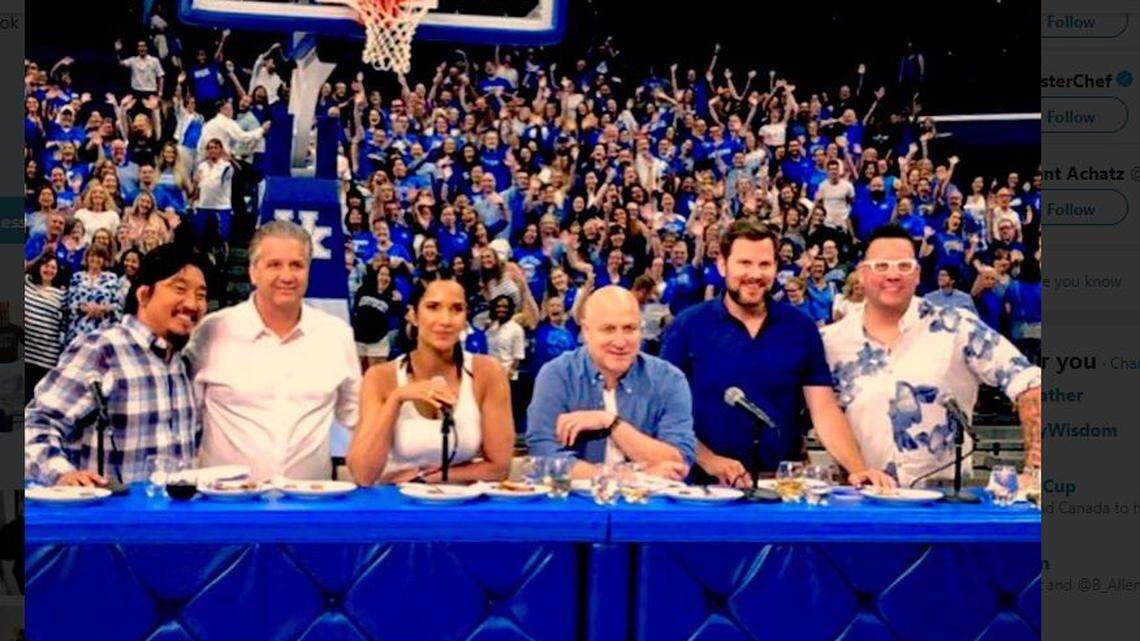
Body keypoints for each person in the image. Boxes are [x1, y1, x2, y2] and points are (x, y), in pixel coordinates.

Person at [661, 220, 892, 488]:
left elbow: (824, 408)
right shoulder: (688, 326)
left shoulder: (801, 328)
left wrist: (857, 469)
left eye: (764, 265)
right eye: (744, 263)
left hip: (779, 489)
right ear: (723, 265)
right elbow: (666, 415)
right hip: (703, 490)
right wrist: (710, 460)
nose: (755, 274)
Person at [821, 225, 1042, 486]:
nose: (893, 275)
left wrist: (1035, 471)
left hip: (946, 507)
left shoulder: (958, 326)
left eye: (904, 266)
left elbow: (1031, 384)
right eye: (881, 266)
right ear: (861, 274)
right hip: (859, 504)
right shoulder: (829, 342)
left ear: (917, 274)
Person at [186, 221, 362, 481]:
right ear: (252, 272)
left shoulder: (336, 335)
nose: (287, 276)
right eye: (274, 265)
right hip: (225, 505)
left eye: (297, 265)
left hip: (307, 507)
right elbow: (184, 420)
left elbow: (357, 418)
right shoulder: (212, 332)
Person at [25, 244, 210, 486]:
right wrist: (61, 474)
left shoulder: (181, 364)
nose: (193, 304)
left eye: (201, 295)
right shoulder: (102, 349)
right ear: (143, 295)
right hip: (109, 519)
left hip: (171, 520)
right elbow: (36, 423)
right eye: (180, 289)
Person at [347, 275, 514, 485]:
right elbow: (362, 475)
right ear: (413, 315)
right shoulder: (380, 377)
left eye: (456, 309)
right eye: (433, 307)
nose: (445, 320)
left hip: (463, 508)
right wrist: (396, 399)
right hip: (398, 507)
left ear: (465, 320)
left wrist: (426, 477)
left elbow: (499, 468)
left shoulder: (487, 372)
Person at [527, 286, 695, 480]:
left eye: (629, 329)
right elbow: (543, 457)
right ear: (586, 331)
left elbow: (677, 462)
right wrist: (621, 478)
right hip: (576, 505)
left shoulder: (669, 380)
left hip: (649, 506)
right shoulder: (556, 375)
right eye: (608, 329)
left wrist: (611, 423)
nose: (620, 342)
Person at [63, 245, 122, 347]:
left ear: (104, 260)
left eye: (99, 257)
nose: (95, 259)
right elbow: (69, 302)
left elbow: (118, 304)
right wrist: (84, 307)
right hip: (78, 329)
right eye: (92, 256)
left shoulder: (112, 278)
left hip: (102, 331)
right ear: (86, 258)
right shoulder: (77, 277)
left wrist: (103, 308)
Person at [24, 255, 65, 401]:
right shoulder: (27, 283)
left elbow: (64, 324)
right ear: (39, 267)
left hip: (45, 357)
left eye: (53, 267)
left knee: (33, 401)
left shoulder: (62, 295)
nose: (49, 270)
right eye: (46, 266)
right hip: (23, 352)